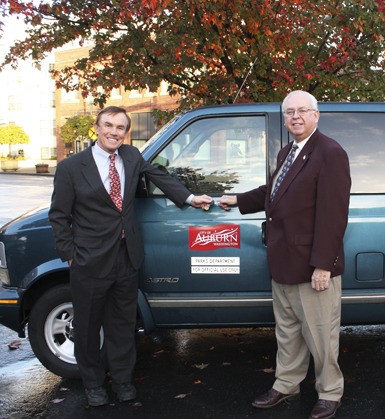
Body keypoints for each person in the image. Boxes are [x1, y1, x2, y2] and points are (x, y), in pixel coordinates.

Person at [48, 106, 212, 407]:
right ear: (96, 128)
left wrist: (189, 198)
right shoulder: (72, 167)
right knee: (86, 329)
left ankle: (123, 382)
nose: (114, 132)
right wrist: (70, 254)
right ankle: (94, 385)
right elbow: (59, 216)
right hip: (89, 261)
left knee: (122, 326)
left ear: (126, 132)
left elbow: (159, 176)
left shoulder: (132, 157)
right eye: (108, 125)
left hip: (126, 258)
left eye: (120, 127)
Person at [217, 91, 351, 419]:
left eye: (302, 111)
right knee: (287, 331)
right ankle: (286, 383)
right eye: (289, 112)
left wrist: (323, 265)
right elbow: (273, 193)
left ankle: (329, 392)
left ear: (316, 115)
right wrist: (236, 200)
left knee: (321, 335)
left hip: (312, 267)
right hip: (284, 262)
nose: (295, 117)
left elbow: (334, 215)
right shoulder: (287, 152)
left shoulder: (330, 153)